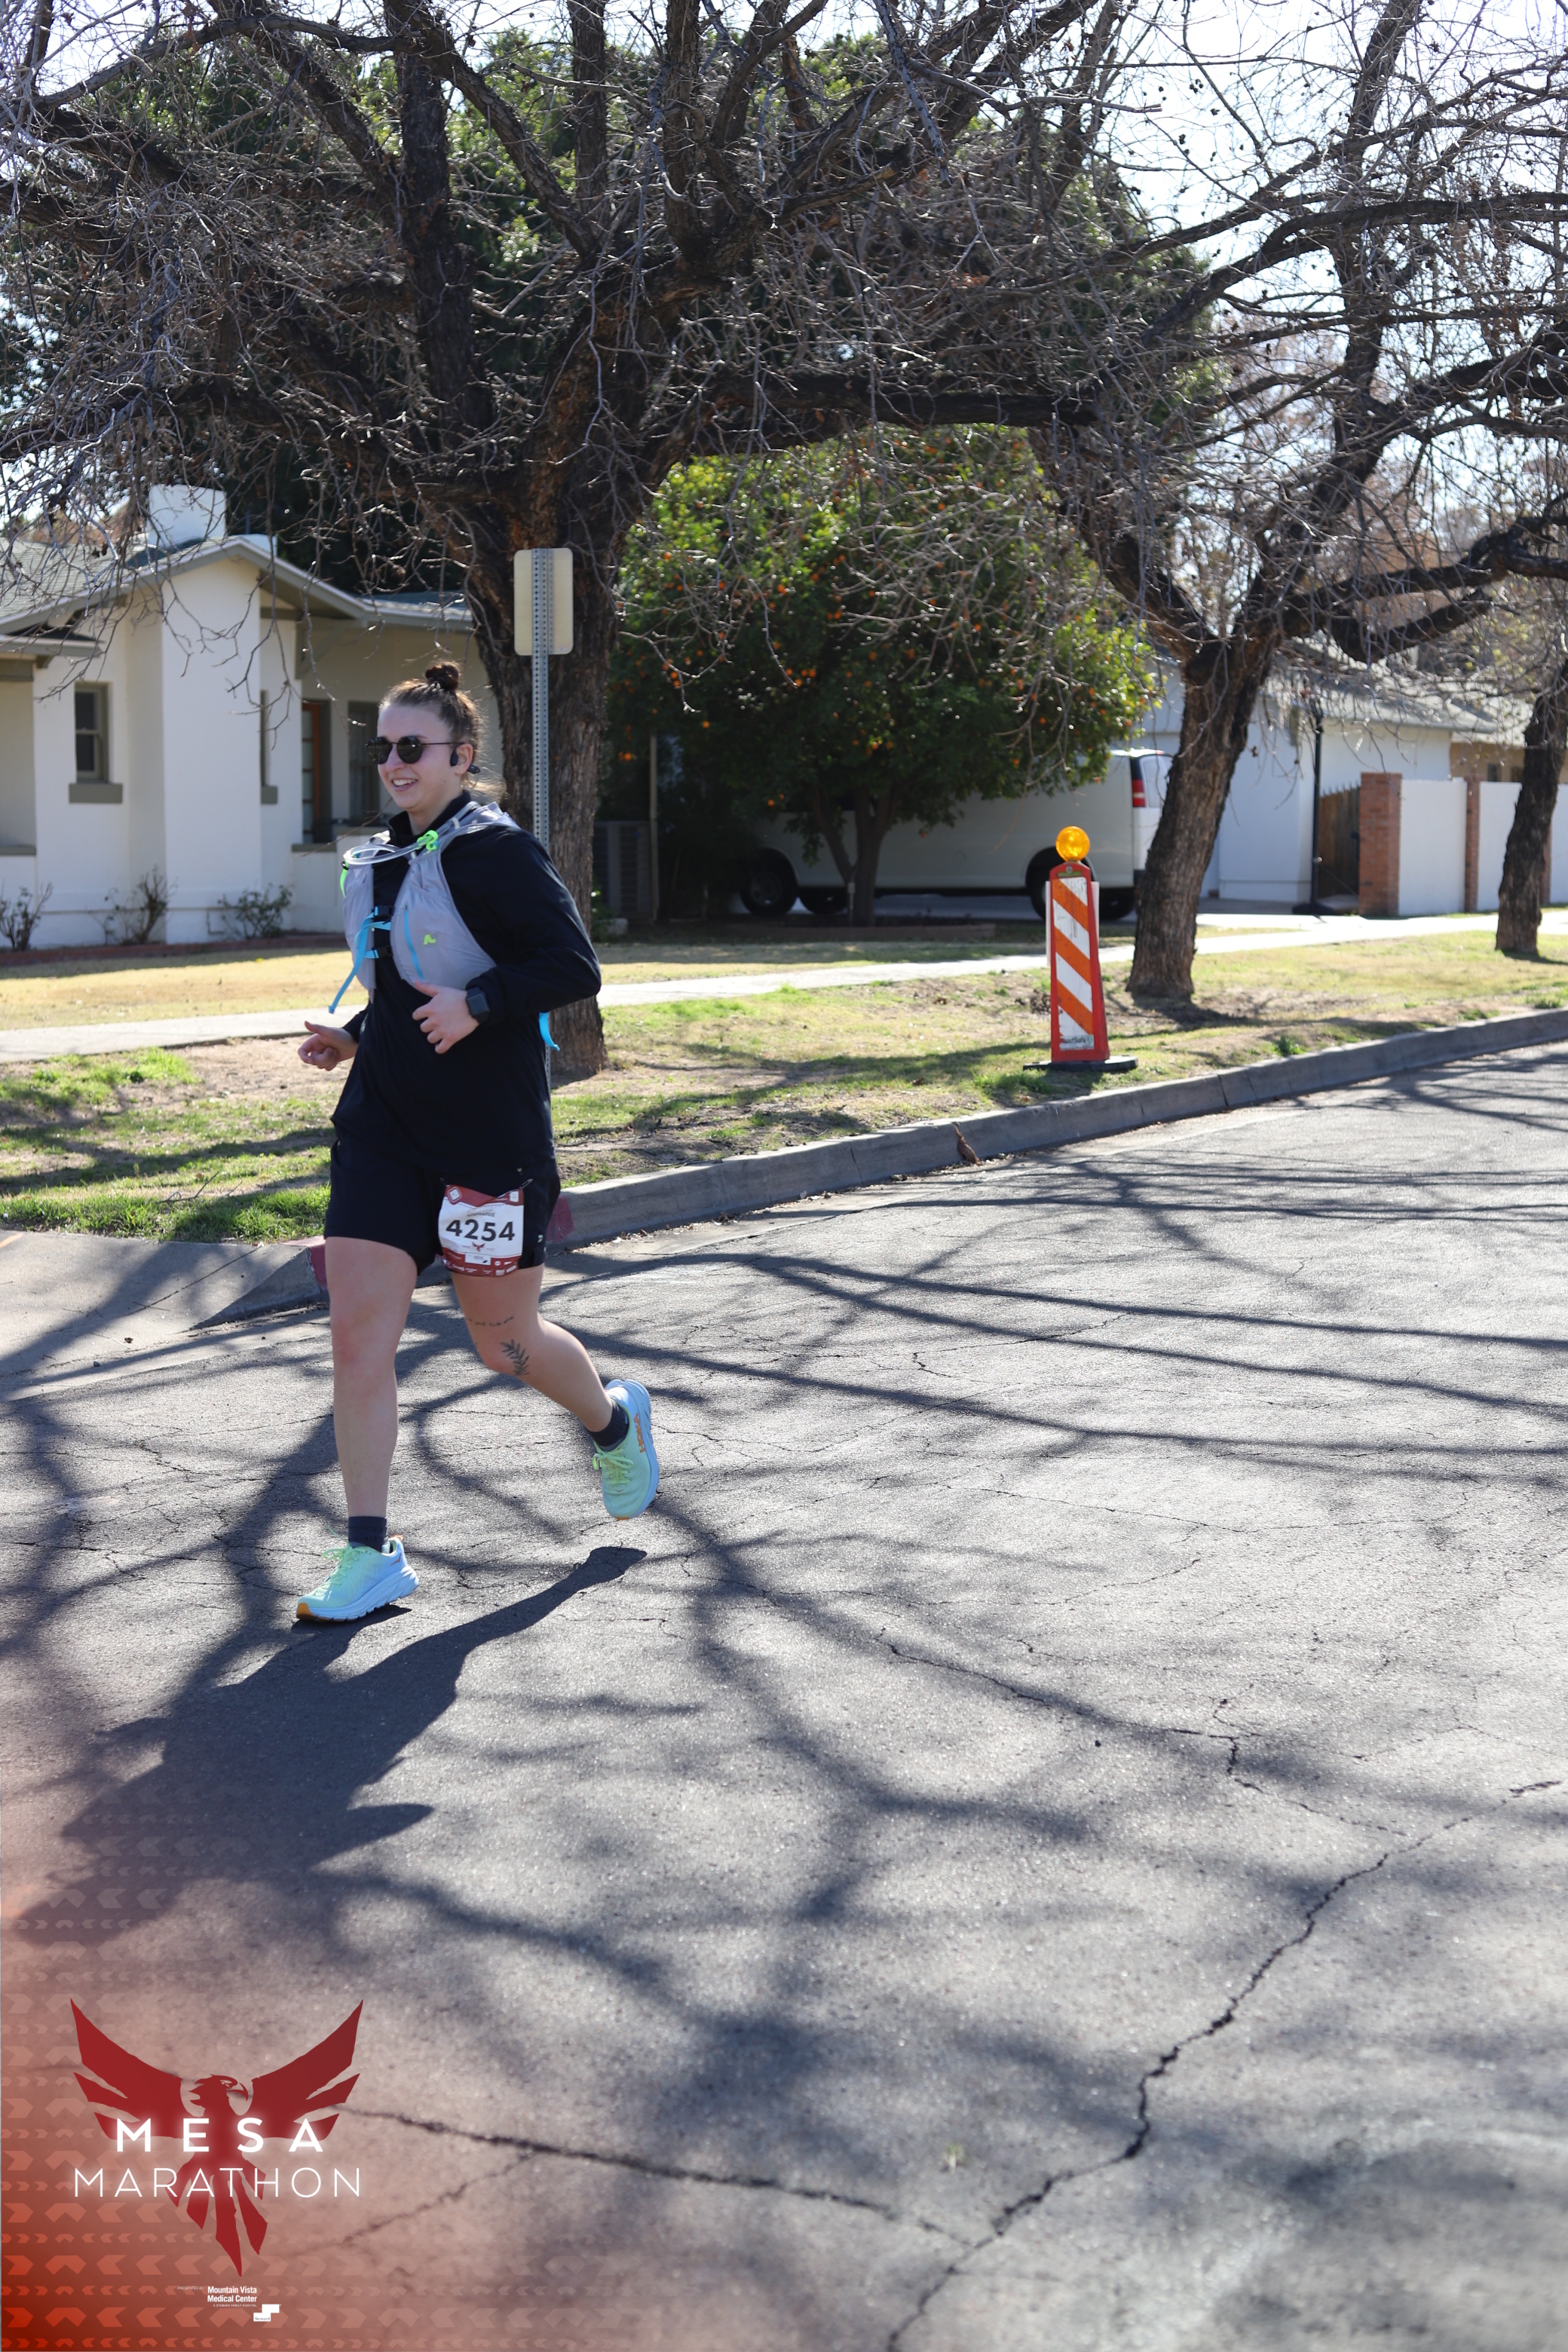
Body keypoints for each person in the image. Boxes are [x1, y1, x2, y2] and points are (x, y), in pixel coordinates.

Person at [292, 662, 657, 1624]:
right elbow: (409, 989)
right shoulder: (382, 859)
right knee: (357, 1339)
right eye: (383, 747)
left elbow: (572, 966)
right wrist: (358, 1036)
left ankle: (613, 1422)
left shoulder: (498, 854)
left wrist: (482, 1003)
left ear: (461, 757)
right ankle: (369, 1552)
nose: (394, 763)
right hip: (382, 1132)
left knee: (505, 1345)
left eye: (412, 747)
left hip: (488, 1144)